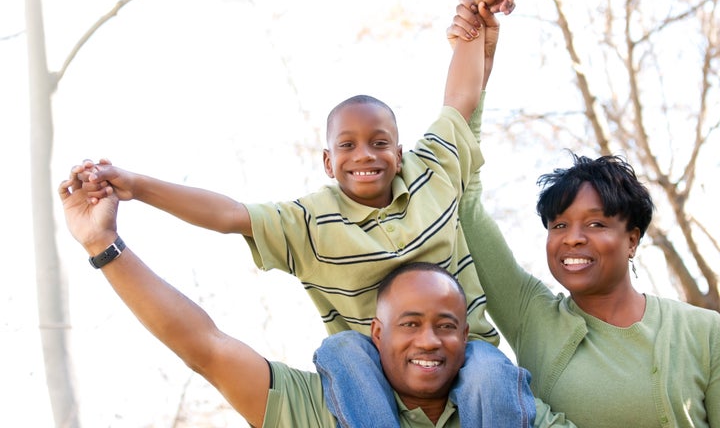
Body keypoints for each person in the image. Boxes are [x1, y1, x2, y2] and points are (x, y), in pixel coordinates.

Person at [74, 0, 539, 427]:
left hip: (471, 352)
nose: (364, 156)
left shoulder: (431, 171)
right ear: (326, 161)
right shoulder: (310, 221)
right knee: (342, 352)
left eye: (379, 144)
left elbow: (459, 101)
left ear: (399, 154)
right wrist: (138, 188)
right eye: (348, 146)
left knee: (489, 371)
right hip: (372, 377)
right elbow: (228, 216)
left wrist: (474, 25)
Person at [57, 174, 572, 427]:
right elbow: (205, 348)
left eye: (446, 324)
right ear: (377, 332)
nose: (429, 340)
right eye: (410, 323)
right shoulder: (330, 405)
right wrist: (105, 247)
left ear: (467, 334)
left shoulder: (511, 407)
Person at [457, 146, 720, 424]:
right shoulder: (532, 316)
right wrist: (469, 104)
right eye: (558, 226)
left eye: (595, 223)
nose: (572, 238)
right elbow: (466, 203)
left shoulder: (705, 331)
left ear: (631, 240)